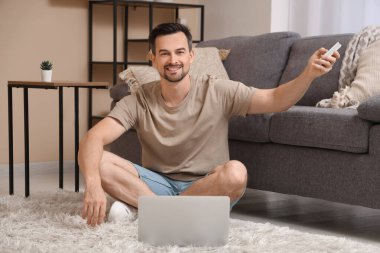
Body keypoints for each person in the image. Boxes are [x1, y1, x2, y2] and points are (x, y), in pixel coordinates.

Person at [78, 23, 340, 227]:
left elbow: (274, 99)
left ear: (192, 56)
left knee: (236, 173)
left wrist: (308, 75)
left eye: (180, 52)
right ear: (153, 58)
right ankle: (168, 213)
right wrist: (92, 184)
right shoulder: (139, 99)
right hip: (156, 182)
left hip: (207, 186)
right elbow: (93, 139)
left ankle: (148, 210)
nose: (173, 60)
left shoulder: (218, 90)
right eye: (165, 54)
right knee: (97, 160)